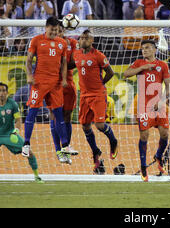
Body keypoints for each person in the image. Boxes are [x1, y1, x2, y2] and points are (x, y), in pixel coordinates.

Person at [22, 16, 76, 164]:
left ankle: (64, 146)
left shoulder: (62, 43)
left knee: (59, 114)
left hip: (56, 84)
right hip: (39, 82)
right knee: (32, 111)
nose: (54, 33)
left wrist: (64, 79)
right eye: (52, 30)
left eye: (56, 30)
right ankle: (26, 143)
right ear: (46, 28)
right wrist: (29, 75)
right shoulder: (36, 40)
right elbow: (29, 59)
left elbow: (64, 63)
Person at [71, 29, 118, 170]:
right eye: (81, 38)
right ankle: (95, 151)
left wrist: (101, 83)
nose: (83, 40)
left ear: (92, 40)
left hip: (98, 94)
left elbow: (110, 72)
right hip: (84, 94)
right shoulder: (76, 54)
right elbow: (72, 65)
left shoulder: (98, 56)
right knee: (85, 125)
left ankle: (113, 140)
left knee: (99, 125)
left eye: (86, 38)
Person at [123, 39, 170, 182]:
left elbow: (168, 86)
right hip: (143, 104)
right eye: (143, 48)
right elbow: (126, 74)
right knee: (144, 136)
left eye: (148, 48)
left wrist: (162, 101)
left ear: (155, 49)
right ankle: (143, 167)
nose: (144, 50)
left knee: (164, 134)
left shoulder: (162, 65)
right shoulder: (138, 63)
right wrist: (142, 68)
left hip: (159, 104)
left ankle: (158, 156)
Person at [48, 22, 79, 164]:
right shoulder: (48, 44)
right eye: (56, 30)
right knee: (54, 115)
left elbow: (76, 61)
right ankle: (58, 150)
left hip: (68, 84)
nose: (58, 33)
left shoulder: (72, 42)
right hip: (53, 84)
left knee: (67, 116)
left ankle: (66, 147)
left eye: (60, 30)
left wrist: (64, 62)